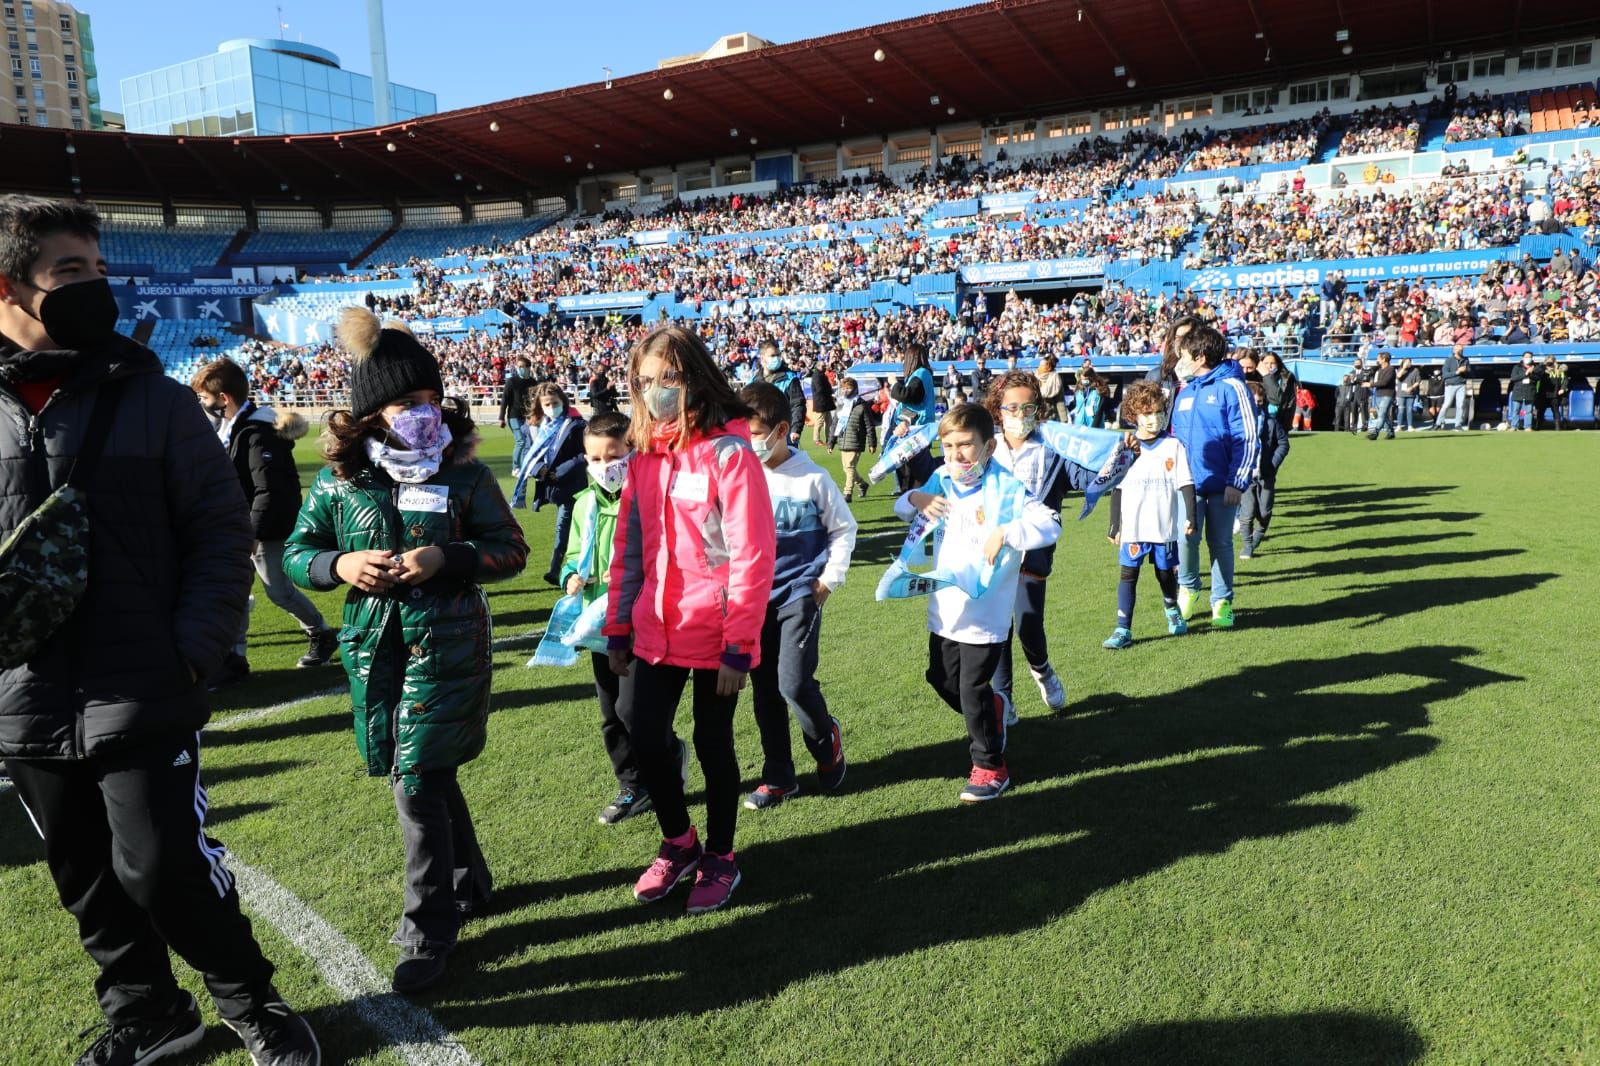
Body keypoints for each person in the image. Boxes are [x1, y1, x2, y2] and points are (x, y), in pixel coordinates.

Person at [0, 194, 321, 1064]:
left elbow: (221, 536)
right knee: (88, 882)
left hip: (144, 681)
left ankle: (250, 1001)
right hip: (22, 697)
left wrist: (193, 649)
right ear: (10, 287)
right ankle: (150, 1015)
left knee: (162, 866)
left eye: (98, 270)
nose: (95, 288)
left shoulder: (159, 401)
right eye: (71, 272)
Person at [283, 307, 528, 993]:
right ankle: (469, 883)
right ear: (368, 414)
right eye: (404, 403)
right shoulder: (338, 484)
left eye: (430, 400)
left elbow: (510, 550)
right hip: (374, 650)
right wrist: (341, 566)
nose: (424, 413)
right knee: (425, 768)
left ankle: (428, 929)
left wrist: (444, 556)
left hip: (448, 647)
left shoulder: (465, 475)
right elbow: (300, 554)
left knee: (414, 779)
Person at [604, 326, 776, 915]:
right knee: (641, 730)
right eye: (647, 381)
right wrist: (618, 626)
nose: (657, 392)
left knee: (712, 741)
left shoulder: (731, 454)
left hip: (717, 632)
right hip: (654, 626)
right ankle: (680, 841)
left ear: (694, 380)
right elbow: (629, 548)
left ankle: (721, 856)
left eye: (668, 380)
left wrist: (739, 645)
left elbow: (752, 555)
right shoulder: (646, 458)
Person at [895, 403, 1061, 803]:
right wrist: (916, 498)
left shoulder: (1006, 488)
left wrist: (1007, 530)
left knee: (971, 688)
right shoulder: (940, 479)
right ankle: (994, 709)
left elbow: (1049, 523)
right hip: (945, 610)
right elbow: (901, 507)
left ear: (988, 447)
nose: (956, 454)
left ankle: (990, 767)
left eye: (966, 445)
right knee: (942, 679)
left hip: (986, 613)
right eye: (949, 445)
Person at [561, 411, 685, 825]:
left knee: (636, 711)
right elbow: (571, 552)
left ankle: (666, 757)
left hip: (642, 621)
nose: (603, 467)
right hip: (599, 623)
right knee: (611, 713)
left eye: (612, 456)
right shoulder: (583, 505)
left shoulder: (649, 499)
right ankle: (632, 785)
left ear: (632, 451)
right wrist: (571, 576)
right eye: (593, 459)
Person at [738, 382, 856, 810]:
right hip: (752, 600)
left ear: (781, 429)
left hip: (799, 594)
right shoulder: (739, 477)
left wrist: (827, 581)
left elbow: (844, 529)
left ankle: (827, 741)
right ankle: (779, 777)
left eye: (753, 433)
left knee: (792, 683)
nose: (747, 443)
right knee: (764, 689)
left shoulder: (812, 478)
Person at [191, 358, 337, 686]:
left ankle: (321, 633)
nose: (204, 404)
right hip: (241, 523)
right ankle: (236, 658)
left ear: (224, 398)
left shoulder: (256, 433)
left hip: (262, 526)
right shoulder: (239, 428)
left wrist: (252, 533)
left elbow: (267, 490)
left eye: (205, 398)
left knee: (278, 591)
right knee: (239, 589)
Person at [985, 371, 1078, 715]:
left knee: (1027, 624)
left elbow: (1084, 476)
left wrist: (1117, 458)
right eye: (1012, 407)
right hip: (993, 553)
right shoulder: (986, 448)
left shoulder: (1052, 450)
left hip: (1032, 554)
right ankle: (1003, 699)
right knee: (997, 629)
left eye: (1028, 408)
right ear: (998, 410)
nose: (1020, 415)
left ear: (1038, 410)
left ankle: (1042, 670)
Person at [1170, 325, 1258, 630]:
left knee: (1220, 543)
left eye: (1183, 355)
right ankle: (1188, 588)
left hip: (1223, 485)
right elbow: (1175, 438)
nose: (1178, 360)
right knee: (1185, 538)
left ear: (1200, 356)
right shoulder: (1186, 390)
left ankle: (1221, 601)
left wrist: (1237, 481)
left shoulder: (1232, 387)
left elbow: (1246, 437)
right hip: (1188, 484)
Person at [1103, 381, 1196, 648]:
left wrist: (1192, 515)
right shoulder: (1125, 445)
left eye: (1158, 412)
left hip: (1163, 526)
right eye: (1147, 414)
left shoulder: (1173, 446)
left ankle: (1172, 609)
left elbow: (1186, 483)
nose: (1153, 418)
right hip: (1133, 526)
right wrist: (1114, 524)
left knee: (1165, 574)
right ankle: (1123, 630)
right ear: (1134, 415)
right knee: (1128, 575)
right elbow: (1116, 488)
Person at [522, 382, 587, 585]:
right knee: (568, 527)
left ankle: (554, 569)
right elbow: (527, 452)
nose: (551, 407)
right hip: (549, 485)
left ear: (563, 401)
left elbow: (582, 454)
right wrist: (537, 469)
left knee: (563, 527)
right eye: (547, 404)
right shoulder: (535, 427)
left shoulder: (576, 424)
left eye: (555, 403)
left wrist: (559, 472)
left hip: (571, 484)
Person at [887, 341, 939, 494]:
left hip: (915, 429)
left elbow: (909, 395)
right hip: (915, 427)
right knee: (912, 470)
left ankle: (915, 500)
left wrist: (894, 384)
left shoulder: (921, 373)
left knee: (913, 472)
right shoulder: (922, 375)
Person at [833, 375, 878, 501]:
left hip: (856, 440)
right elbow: (835, 424)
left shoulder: (862, 405)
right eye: (844, 388)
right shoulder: (841, 404)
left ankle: (847, 493)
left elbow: (869, 425)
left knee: (850, 466)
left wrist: (872, 443)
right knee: (847, 468)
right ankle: (862, 484)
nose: (845, 391)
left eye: (848, 388)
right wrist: (831, 442)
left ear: (854, 389)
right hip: (843, 440)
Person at [498, 356, 535, 505]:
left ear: (528, 367)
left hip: (527, 416)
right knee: (520, 440)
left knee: (528, 442)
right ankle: (516, 467)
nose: (522, 369)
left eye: (524, 366)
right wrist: (501, 418)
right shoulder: (511, 382)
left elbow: (536, 398)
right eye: (519, 366)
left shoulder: (532, 382)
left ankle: (526, 467)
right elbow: (505, 400)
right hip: (514, 416)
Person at [759, 339, 807, 446]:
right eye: (772, 356)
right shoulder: (754, 381)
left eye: (777, 355)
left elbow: (798, 405)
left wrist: (796, 429)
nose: (776, 358)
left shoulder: (790, 379)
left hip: (784, 435)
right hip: (762, 437)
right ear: (762, 359)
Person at [1432, 345, 1471, 431]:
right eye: (1457, 349)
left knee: (1460, 405)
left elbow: (1470, 372)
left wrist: (1466, 371)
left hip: (1461, 384)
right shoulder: (1449, 360)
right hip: (1450, 385)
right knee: (1446, 404)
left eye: (1461, 350)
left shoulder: (1465, 360)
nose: (1459, 351)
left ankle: (1458, 424)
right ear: (1454, 350)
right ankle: (1438, 423)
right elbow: (1445, 375)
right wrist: (1457, 372)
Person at [1367, 350, 1398, 441]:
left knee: (1381, 414)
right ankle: (1391, 432)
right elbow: (1379, 382)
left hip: (1387, 395)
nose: (1377, 360)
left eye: (1378, 358)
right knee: (1384, 416)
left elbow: (1384, 382)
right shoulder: (1380, 370)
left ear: (1384, 359)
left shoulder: (1391, 369)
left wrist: (1371, 384)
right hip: (1379, 394)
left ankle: (1375, 433)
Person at [1507, 352, 1541, 432]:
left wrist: (1531, 373)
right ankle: (1514, 426)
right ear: (1522, 357)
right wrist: (1526, 374)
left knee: (1529, 411)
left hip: (1530, 391)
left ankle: (1528, 427)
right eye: (1526, 357)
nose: (1527, 358)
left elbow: (1538, 378)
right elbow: (1514, 378)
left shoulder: (1536, 367)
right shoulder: (1516, 367)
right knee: (1516, 410)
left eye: (1529, 357)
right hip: (1518, 391)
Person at [809, 359, 837, 447]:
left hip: (826, 402)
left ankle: (829, 439)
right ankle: (816, 439)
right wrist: (830, 391)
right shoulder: (817, 376)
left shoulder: (821, 375)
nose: (824, 367)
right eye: (822, 366)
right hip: (821, 402)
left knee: (829, 422)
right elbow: (819, 389)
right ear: (817, 366)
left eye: (824, 365)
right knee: (819, 421)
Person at [1037, 354, 1065, 421]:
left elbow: (1060, 401)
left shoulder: (1055, 380)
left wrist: (1064, 420)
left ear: (1049, 367)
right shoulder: (1035, 379)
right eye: (1039, 365)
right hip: (1037, 417)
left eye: (1041, 366)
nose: (1039, 367)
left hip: (1051, 417)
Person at [1397, 357, 1421, 432]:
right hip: (1401, 393)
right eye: (1406, 362)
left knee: (1409, 410)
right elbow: (1398, 376)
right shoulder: (1400, 369)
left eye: (1409, 362)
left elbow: (1418, 381)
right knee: (1401, 409)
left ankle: (1410, 426)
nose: (1408, 363)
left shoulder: (1415, 370)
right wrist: (1404, 368)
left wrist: (1412, 387)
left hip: (1411, 393)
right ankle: (1399, 426)